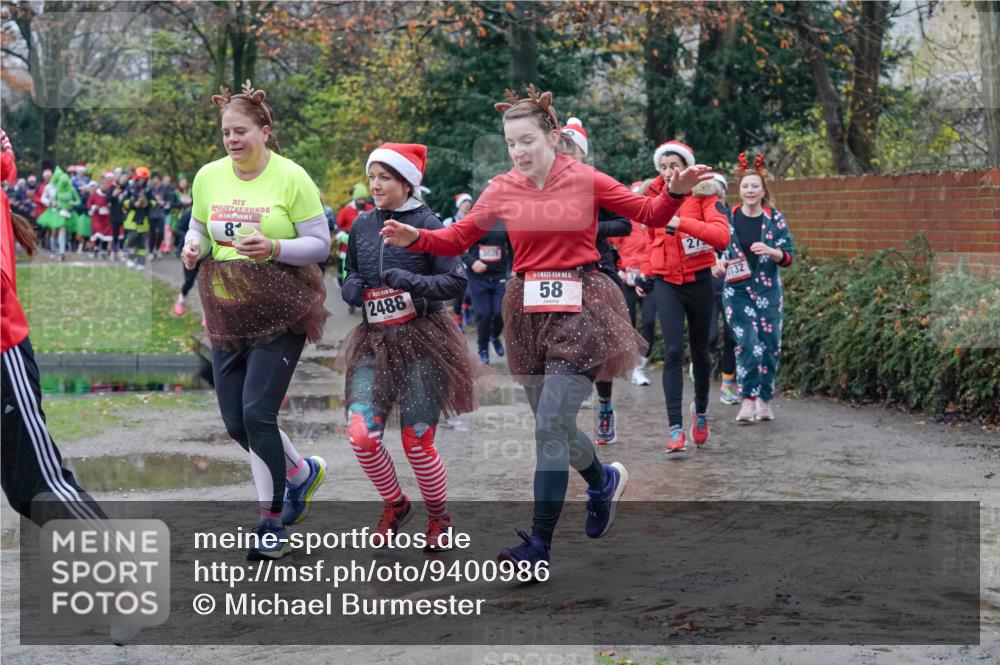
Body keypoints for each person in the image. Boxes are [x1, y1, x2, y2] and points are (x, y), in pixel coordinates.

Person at [380, 85, 712, 573]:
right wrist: (417, 236)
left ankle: (537, 545)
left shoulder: (587, 179)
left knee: (549, 427)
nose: (518, 151)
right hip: (526, 309)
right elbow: (460, 235)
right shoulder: (502, 187)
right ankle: (600, 481)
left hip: (581, 304)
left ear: (553, 137)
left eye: (527, 141)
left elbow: (648, 215)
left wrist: (674, 191)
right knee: (551, 423)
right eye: (511, 143)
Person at [181, 81, 331, 560]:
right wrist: (192, 247)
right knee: (234, 422)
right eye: (226, 132)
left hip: (282, 309)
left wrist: (274, 247)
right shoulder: (208, 177)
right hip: (226, 310)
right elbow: (200, 228)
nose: (231, 140)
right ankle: (301, 474)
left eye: (241, 131)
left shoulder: (292, 178)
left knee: (257, 415)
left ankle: (271, 522)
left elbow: (320, 243)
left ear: (264, 132)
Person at [341, 142, 479, 551]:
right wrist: (353, 289)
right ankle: (395, 504)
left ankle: (440, 517)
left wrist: (410, 283)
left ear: (406, 182)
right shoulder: (362, 225)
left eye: (385, 178)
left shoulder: (429, 222)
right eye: (372, 177)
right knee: (362, 435)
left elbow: (456, 281)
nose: (375, 185)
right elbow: (348, 274)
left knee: (416, 440)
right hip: (374, 340)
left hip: (424, 339)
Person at [639, 140, 730, 455]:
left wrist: (680, 222)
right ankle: (675, 427)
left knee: (702, 351)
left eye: (673, 166)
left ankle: (700, 411)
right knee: (674, 350)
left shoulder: (705, 196)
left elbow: (721, 236)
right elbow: (650, 240)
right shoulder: (653, 199)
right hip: (667, 283)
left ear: (686, 168)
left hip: (701, 281)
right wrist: (646, 273)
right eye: (662, 167)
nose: (667, 173)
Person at [555, 118, 632, 446]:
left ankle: (604, 405)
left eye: (572, 151)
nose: (565, 156)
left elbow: (625, 224)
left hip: (597, 270)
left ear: (583, 155)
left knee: (597, 345)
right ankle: (563, 412)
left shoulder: (597, 183)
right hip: (557, 273)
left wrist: (591, 227)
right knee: (560, 342)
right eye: (561, 150)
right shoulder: (545, 185)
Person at [716, 153, 795, 423]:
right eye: (745, 186)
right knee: (748, 344)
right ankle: (747, 399)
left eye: (755, 186)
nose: (750, 191)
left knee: (770, 346)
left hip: (768, 291)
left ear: (763, 191)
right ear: (740, 190)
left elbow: (789, 256)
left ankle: (765, 399)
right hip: (736, 292)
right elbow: (713, 249)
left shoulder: (775, 220)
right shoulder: (727, 218)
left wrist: (772, 251)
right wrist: (717, 264)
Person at [610, 181, 656, 387]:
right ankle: (631, 365)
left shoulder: (658, 221)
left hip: (650, 280)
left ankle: (640, 366)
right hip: (627, 280)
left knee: (648, 324)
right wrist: (620, 270)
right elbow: (610, 248)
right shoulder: (626, 222)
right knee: (628, 325)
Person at [459, 193, 511, 366]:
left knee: (498, 312)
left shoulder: (505, 223)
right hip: (478, 278)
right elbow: (459, 247)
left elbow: (513, 249)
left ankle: (495, 336)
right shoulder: (473, 223)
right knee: (484, 314)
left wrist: (513, 269)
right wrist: (472, 262)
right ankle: (483, 349)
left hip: (499, 276)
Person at [444, 193, 475, 330]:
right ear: (459, 205)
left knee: (470, 291)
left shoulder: (475, 221)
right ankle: (458, 319)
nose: (467, 204)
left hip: (470, 261)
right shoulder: (449, 222)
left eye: (469, 202)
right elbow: (442, 240)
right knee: (458, 292)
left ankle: (467, 307)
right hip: (454, 261)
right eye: (464, 202)